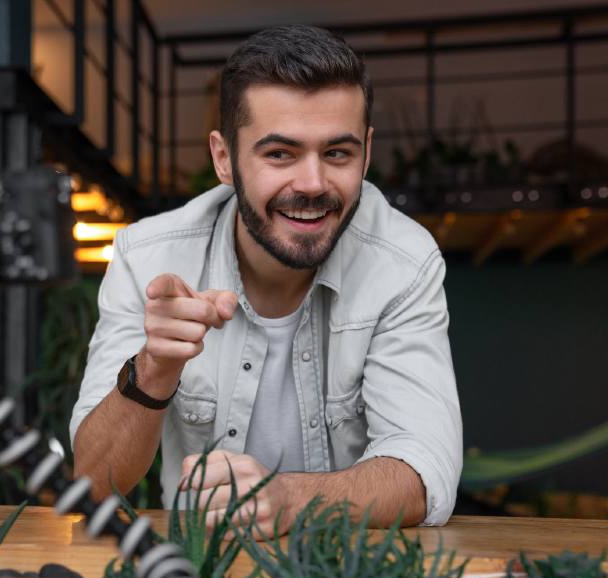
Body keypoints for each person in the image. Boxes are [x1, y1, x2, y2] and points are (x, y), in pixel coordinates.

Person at [69, 25, 463, 536]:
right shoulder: (148, 258)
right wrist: (153, 368)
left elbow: (424, 470)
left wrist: (288, 500)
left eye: (338, 154)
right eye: (280, 154)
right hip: (198, 573)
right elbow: (94, 486)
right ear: (224, 159)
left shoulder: (404, 263)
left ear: (366, 152)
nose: (313, 184)